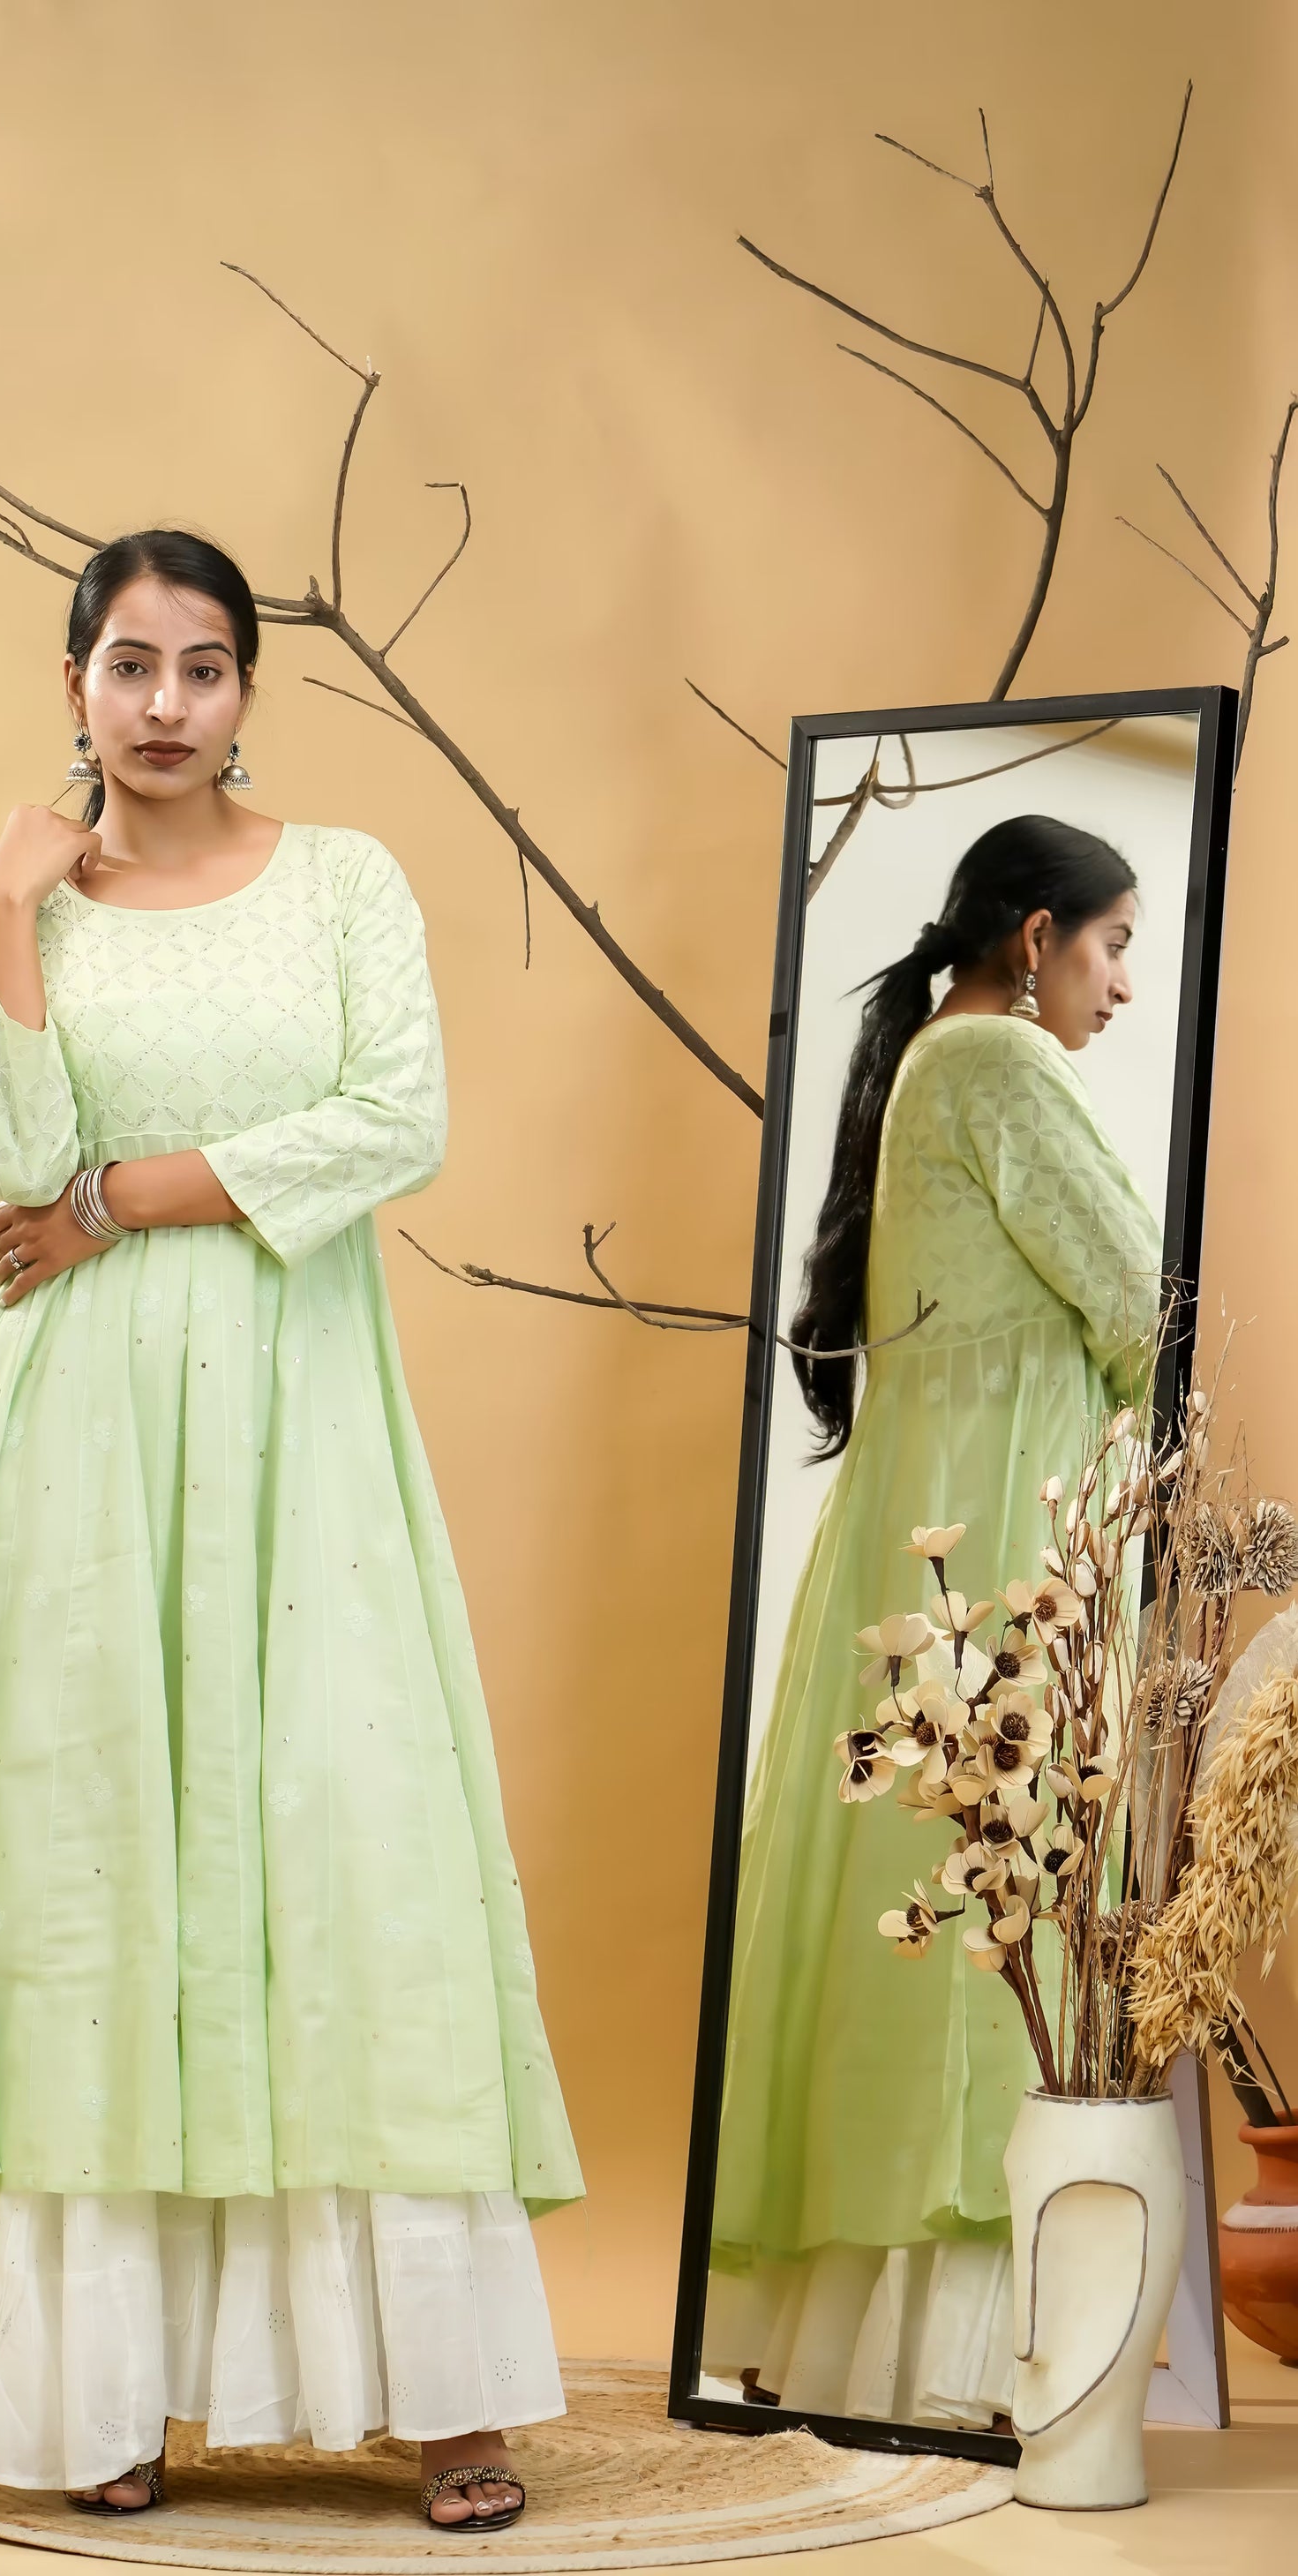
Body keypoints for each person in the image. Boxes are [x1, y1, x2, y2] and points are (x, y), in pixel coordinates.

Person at [0, 527, 581, 2530]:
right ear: (72, 678)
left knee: (356, 1854)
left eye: (204, 668)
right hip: (61, 1441)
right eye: (128, 666)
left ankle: (440, 2392)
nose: (164, 705)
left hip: (296, 1416)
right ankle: (117, 2392)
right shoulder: (7, 912)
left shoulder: (347, 882)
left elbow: (391, 1115)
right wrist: (4, 916)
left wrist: (121, 1197)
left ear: (250, 688)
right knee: (102, 1878)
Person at [708, 815, 1161, 2429]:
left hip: (944, 1533)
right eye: (1110, 947)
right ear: (1034, 938)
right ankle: (983, 2359)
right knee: (994, 1906)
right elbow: (1136, 1300)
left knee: (925, 1896)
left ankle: (860, 2342)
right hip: (1007, 1531)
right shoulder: (1000, 1069)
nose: (1118, 986)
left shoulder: (924, 1067)